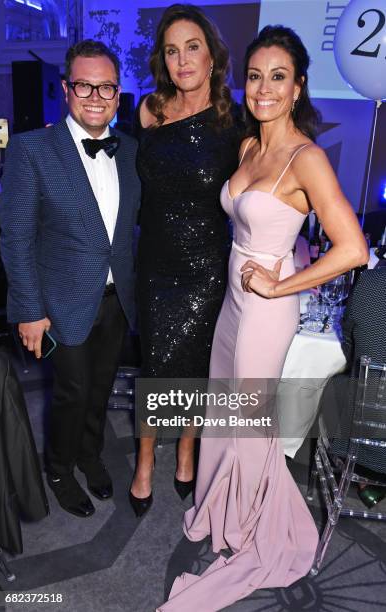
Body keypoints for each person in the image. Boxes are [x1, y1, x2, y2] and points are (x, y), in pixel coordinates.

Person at [157, 25, 368, 610]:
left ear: (298, 87)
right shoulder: (250, 149)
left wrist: (282, 285)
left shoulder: (308, 158)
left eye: (278, 77)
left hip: (265, 313)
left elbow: (351, 249)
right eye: (255, 75)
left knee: (248, 428)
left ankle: (254, 527)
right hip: (232, 305)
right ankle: (222, 507)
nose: (264, 88)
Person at [0, 40, 140, 518]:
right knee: (71, 391)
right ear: (66, 89)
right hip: (57, 304)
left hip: (117, 298)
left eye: (106, 87)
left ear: (118, 94)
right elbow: (15, 236)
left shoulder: (131, 153)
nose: (96, 96)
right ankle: (58, 468)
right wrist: (29, 310)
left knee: (100, 388)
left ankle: (88, 454)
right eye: (85, 85)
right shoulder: (31, 149)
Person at [130, 4, 244, 516]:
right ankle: (145, 461)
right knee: (155, 369)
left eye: (192, 47)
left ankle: (186, 452)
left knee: (195, 370)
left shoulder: (234, 123)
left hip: (204, 270)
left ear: (213, 56)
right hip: (154, 265)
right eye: (172, 50)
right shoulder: (148, 110)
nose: (182, 60)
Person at [323, 267, 386, 508]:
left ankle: (367, 477)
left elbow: (350, 342)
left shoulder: (372, 280)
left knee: (338, 384)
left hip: (363, 434)